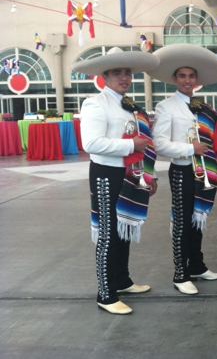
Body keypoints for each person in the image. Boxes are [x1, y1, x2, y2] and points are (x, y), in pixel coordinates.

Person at [73, 47, 160, 315]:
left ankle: (121, 280)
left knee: (123, 229)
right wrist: (129, 144)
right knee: (108, 233)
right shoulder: (95, 104)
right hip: (106, 174)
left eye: (127, 73)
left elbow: (143, 143)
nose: (124, 77)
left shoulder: (130, 105)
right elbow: (91, 143)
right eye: (117, 73)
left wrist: (149, 174)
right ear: (105, 76)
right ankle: (106, 293)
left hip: (130, 172)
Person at [149, 44, 217, 295]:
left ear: (197, 80)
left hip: (203, 170)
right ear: (174, 79)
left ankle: (197, 266)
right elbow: (159, 145)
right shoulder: (166, 106)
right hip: (182, 170)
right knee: (182, 223)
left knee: (197, 220)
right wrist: (191, 149)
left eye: (191, 76)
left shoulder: (202, 107)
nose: (187, 80)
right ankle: (180, 273)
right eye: (182, 76)